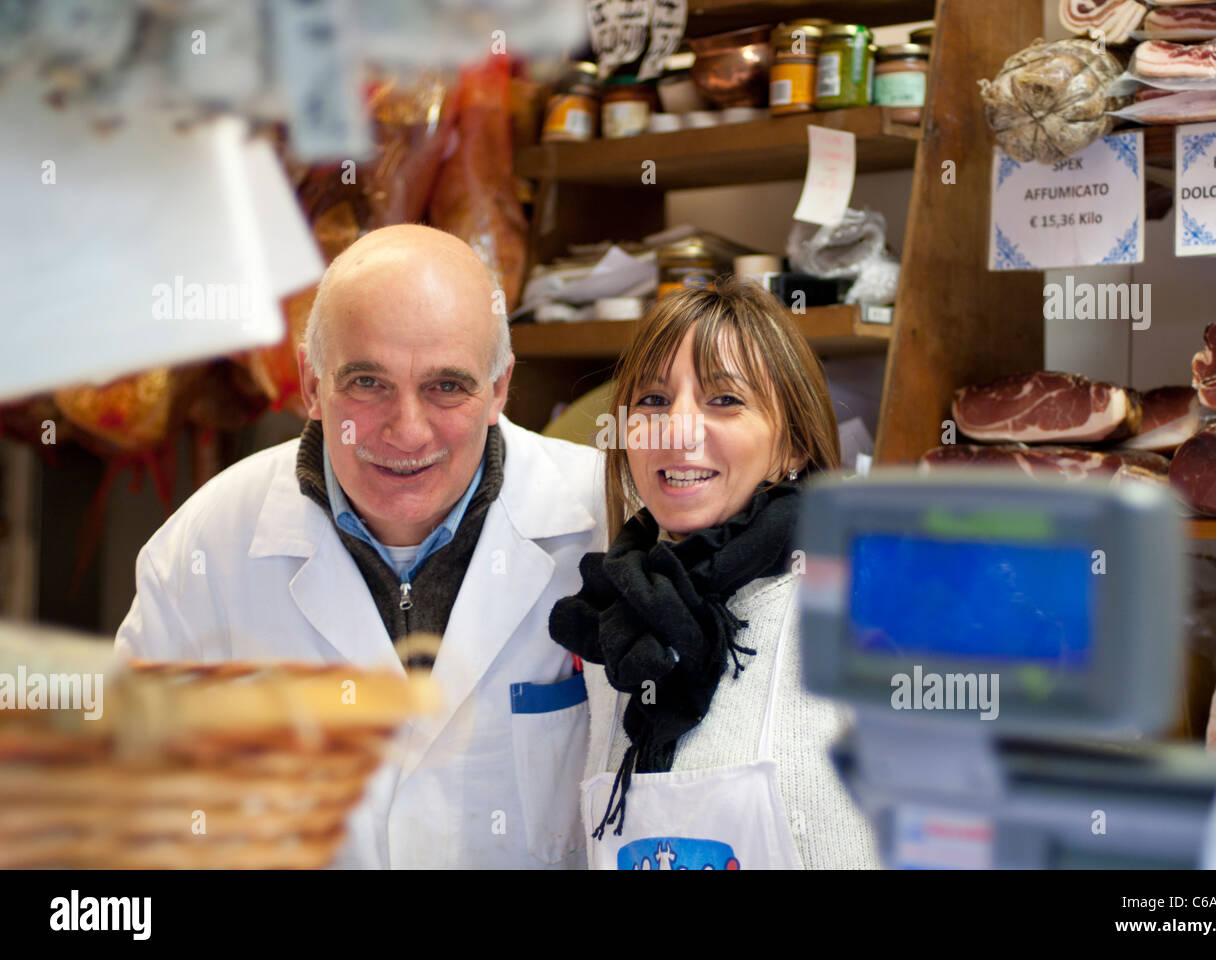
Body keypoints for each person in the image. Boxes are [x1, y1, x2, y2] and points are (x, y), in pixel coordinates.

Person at [116, 225, 605, 869]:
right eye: (367, 383)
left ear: (500, 388)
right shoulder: (203, 551)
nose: (406, 430)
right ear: (311, 384)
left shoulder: (606, 522)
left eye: (447, 386)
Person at [549, 278, 878, 870]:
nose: (678, 429)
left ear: (792, 448)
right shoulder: (615, 629)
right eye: (652, 401)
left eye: (724, 400)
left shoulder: (860, 604)